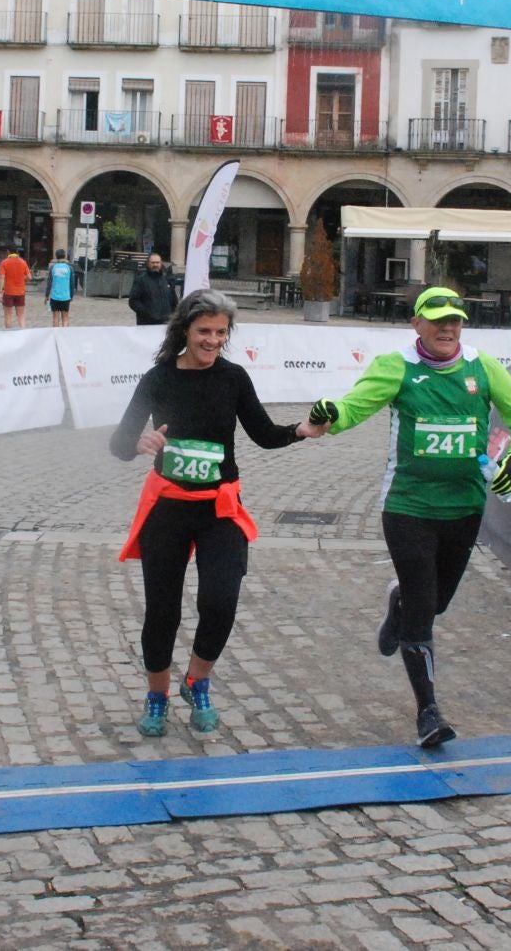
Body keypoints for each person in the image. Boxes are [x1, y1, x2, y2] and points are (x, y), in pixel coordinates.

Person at [305, 286, 511, 748]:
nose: (448, 328)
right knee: (422, 611)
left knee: (437, 602)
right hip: (409, 506)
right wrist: (331, 414)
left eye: (455, 320)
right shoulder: (397, 368)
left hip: (465, 507)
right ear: (417, 324)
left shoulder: (483, 366)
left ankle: (397, 605)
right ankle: (428, 712)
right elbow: (355, 406)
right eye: (437, 321)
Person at [109, 289, 324, 738]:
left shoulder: (233, 378)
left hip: (220, 508)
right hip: (167, 509)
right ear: (184, 330)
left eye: (221, 332)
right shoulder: (158, 379)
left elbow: (263, 434)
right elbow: (119, 443)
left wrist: (300, 430)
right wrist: (138, 443)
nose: (212, 340)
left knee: (221, 601)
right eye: (204, 331)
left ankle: (197, 680)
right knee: (161, 611)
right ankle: (157, 695)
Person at [129, 252, 176, 326]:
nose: (155, 265)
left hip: (166, 323)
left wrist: (174, 315)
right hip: (147, 323)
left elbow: (174, 299)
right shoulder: (141, 280)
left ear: (161, 263)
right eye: (153, 262)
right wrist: (146, 313)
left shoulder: (167, 279)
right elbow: (133, 301)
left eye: (157, 262)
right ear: (148, 263)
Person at [0, 248, 30, 329]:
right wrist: (24, 282)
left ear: (8, 252)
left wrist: (0, 292)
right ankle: (22, 333)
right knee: (21, 315)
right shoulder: (23, 262)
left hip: (8, 292)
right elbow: (29, 276)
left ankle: (9, 335)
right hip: (20, 292)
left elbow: (2, 277)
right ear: (17, 252)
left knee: (8, 315)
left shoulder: (4, 262)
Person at [48, 248, 75, 326]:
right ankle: (65, 335)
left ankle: (56, 335)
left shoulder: (53, 268)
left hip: (54, 296)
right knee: (65, 317)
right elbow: (72, 283)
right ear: (65, 256)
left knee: (55, 318)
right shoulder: (69, 268)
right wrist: (72, 295)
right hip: (66, 296)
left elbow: (49, 283)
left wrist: (47, 295)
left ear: (56, 257)